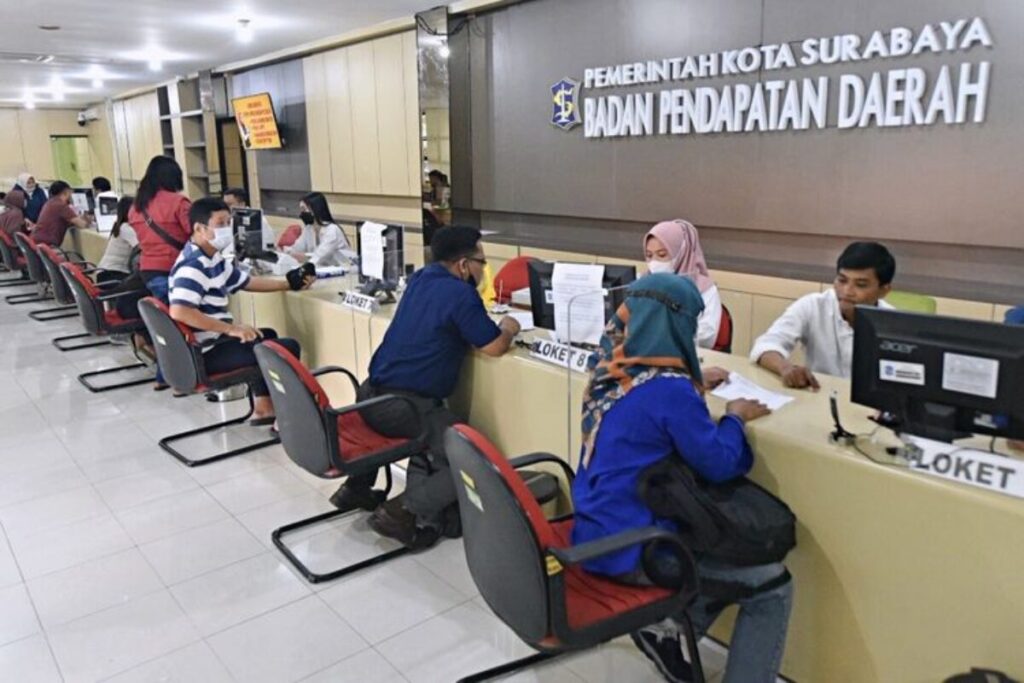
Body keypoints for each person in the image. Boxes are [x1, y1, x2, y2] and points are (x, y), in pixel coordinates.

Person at [571, 273, 791, 683]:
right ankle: (668, 630)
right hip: (639, 551)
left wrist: (693, 386)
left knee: (726, 554)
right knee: (771, 583)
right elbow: (722, 463)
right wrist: (735, 418)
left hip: (595, 534)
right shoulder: (671, 391)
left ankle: (665, 630)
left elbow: (647, 407)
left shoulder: (610, 372)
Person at [332, 226, 522, 548]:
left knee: (438, 435)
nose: (483, 269)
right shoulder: (460, 294)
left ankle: (356, 488)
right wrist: (509, 327)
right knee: (474, 454)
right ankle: (401, 511)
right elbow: (494, 346)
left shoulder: (421, 278)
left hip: (368, 396)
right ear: (464, 265)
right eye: (481, 262)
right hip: (404, 406)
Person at [168, 198, 313, 424]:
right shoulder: (194, 265)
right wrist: (231, 329)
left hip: (212, 343)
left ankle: (264, 408)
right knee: (285, 348)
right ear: (199, 228)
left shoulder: (211, 257)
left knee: (267, 336)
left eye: (229, 223)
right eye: (220, 224)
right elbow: (179, 311)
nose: (227, 229)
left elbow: (245, 281)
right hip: (205, 352)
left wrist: (288, 283)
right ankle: (288, 420)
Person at [750, 241, 896, 388]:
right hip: (819, 394)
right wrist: (785, 368)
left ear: (884, 290)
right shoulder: (813, 305)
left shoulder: (895, 323)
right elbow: (766, 344)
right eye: (842, 280)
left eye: (861, 285)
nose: (847, 291)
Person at [644, 219, 722, 348]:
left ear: (681, 253)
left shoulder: (704, 289)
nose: (654, 262)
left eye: (662, 255)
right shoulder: (643, 284)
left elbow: (706, 336)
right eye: (649, 255)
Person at [285, 192, 350, 267]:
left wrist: (304, 257)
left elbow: (319, 257)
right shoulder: (309, 229)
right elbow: (297, 248)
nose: (301, 213)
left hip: (341, 270)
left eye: (304, 209)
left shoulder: (332, 230)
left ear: (315, 209)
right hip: (320, 269)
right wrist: (287, 252)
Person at [30, 181, 92, 246]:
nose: (71, 196)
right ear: (65, 192)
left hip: (37, 242)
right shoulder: (61, 205)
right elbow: (82, 225)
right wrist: (88, 220)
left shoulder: (50, 202)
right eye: (70, 193)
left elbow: (68, 220)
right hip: (46, 245)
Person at [95, 196, 138, 281]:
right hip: (112, 274)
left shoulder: (119, 226)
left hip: (105, 272)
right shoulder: (126, 228)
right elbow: (143, 246)